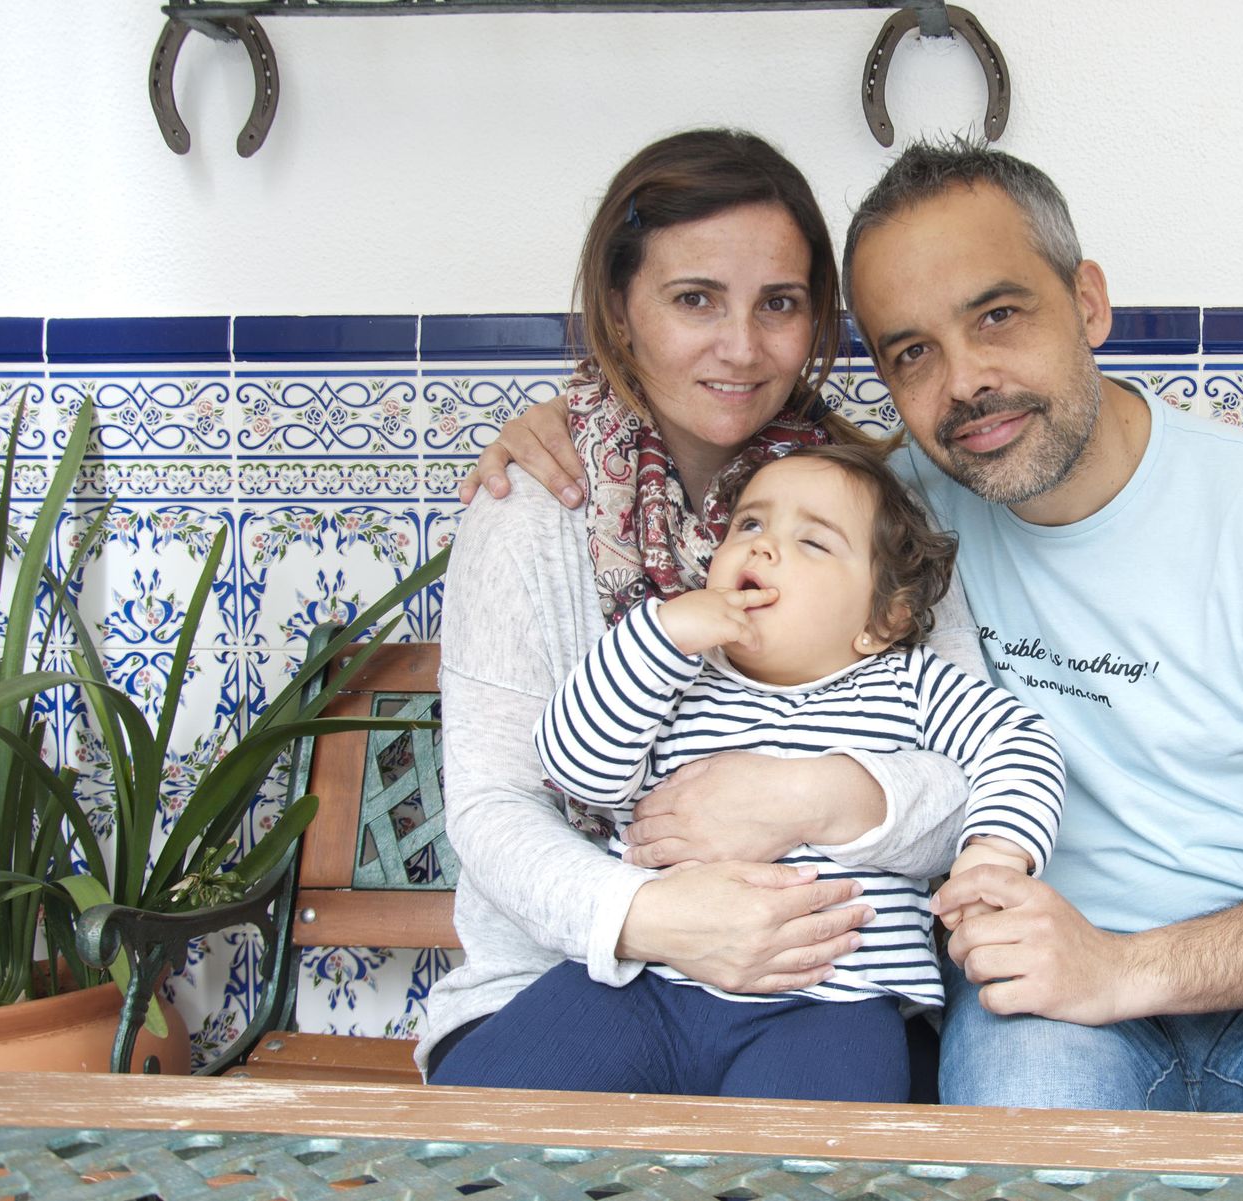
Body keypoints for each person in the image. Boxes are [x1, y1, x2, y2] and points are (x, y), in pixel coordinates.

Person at [470, 140, 1243, 1121]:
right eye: (911, 353)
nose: (965, 384)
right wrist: (554, 424)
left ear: (1087, 301)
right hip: (1019, 977)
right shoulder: (895, 518)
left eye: (998, 316)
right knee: (1011, 1158)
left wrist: (1126, 967)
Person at [420, 129, 991, 1092]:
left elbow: (967, 774)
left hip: (827, 987)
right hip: (574, 983)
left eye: (779, 304)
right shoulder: (535, 506)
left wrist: (812, 796)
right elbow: (493, 805)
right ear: (620, 306)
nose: (741, 346)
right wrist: (658, 916)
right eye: (695, 299)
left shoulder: (876, 506)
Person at [454, 445, 1065, 1100]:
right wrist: (656, 638)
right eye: (749, 525)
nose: (764, 547)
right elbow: (577, 767)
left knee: (808, 1160)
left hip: (833, 1002)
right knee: (485, 1106)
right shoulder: (673, 673)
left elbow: (1018, 740)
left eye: (812, 542)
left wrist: (995, 851)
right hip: (646, 983)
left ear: (881, 619)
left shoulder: (911, 684)